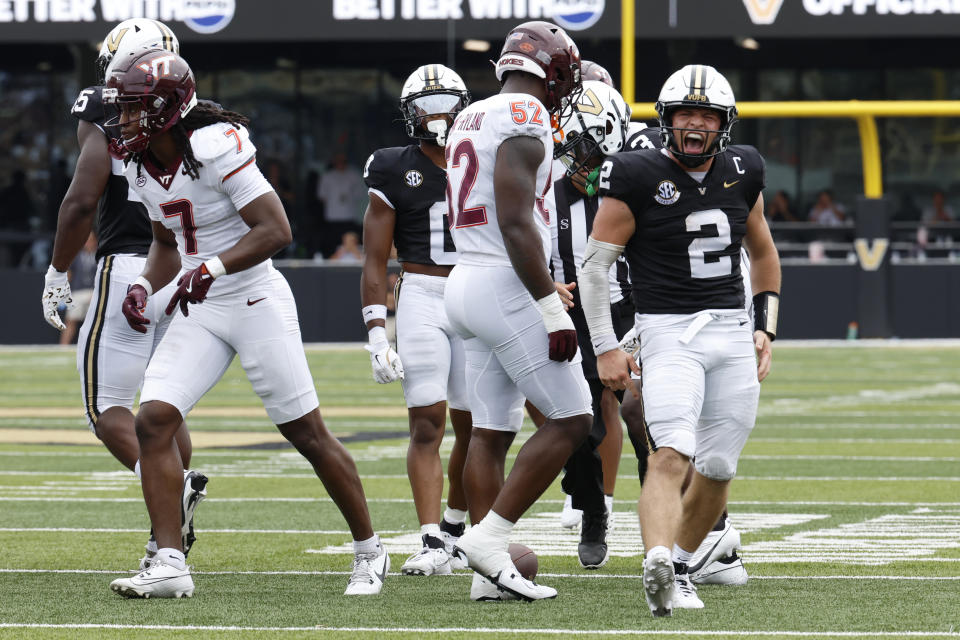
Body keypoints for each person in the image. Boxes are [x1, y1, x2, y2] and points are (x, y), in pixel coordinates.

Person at [102, 48, 388, 599]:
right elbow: (166, 241)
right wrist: (143, 284)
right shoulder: (139, 162)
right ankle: (169, 562)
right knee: (153, 421)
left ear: (165, 107)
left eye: (135, 108)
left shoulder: (214, 145)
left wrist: (210, 266)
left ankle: (369, 549)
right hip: (198, 302)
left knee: (306, 433)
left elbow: (275, 229)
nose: (125, 120)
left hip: (253, 297)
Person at [579, 64, 780, 616]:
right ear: (666, 120)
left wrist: (766, 324)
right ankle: (659, 561)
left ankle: (686, 563)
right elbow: (596, 269)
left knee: (717, 468)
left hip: (733, 331)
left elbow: (762, 251)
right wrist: (604, 345)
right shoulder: (635, 173)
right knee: (670, 453)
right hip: (669, 332)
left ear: (724, 123)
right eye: (685, 114)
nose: (695, 125)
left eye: (707, 115)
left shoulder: (745, 169)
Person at [38, 19, 206, 572]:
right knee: (164, 403)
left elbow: (82, 198)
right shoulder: (193, 110)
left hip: (131, 265)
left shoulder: (102, 105)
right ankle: (168, 544)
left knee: (105, 408)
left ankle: (171, 494)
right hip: (182, 266)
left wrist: (59, 270)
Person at [443, 21, 592, 602]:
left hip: (466, 279)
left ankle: (490, 576)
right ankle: (490, 538)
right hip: (504, 282)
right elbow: (514, 220)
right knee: (573, 418)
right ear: (553, 74)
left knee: (491, 429)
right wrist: (549, 302)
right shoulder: (525, 116)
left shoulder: (470, 114)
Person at [360, 63, 474, 577]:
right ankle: (431, 538)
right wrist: (375, 331)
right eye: (426, 106)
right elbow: (374, 259)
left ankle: (456, 526)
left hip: (478, 292)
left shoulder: (486, 159)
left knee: (478, 425)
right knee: (427, 422)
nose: (437, 115)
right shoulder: (391, 167)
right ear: (409, 115)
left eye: (446, 103)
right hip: (423, 293)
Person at [544, 79, 633, 569]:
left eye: (585, 151)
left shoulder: (633, 187)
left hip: (627, 311)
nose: (576, 162)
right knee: (579, 423)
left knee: (648, 416)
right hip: (569, 315)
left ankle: (702, 525)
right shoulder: (549, 194)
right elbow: (527, 251)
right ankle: (592, 508)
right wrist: (544, 285)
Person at [318, 153, 365, 256]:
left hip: (349, 217)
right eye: (338, 160)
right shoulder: (327, 176)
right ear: (334, 162)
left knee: (352, 247)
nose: (340, 163)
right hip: (332, 218)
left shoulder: (354, 175)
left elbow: (360, 194)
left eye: (343, 161)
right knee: (332, 248)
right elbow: (322, 197)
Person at [60, 231, 98, 346]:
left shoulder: (100, 255)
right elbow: (69, 274)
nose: (88, 243)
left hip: (95, 293)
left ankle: (93, 347)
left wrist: (98, 292)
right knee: (71, 320)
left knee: (95, 323)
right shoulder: (75, 255)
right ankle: (62, 347)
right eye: (85, 240)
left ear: (95, 241)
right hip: (78, 292)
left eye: (90, 240)